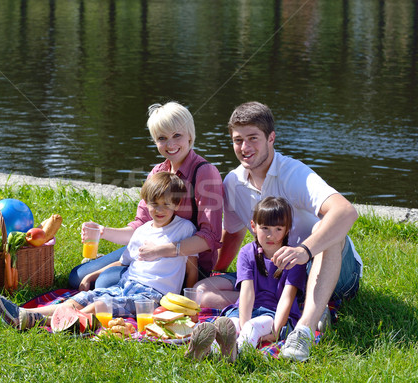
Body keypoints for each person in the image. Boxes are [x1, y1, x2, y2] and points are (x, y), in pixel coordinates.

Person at [194, 101, 362, 361]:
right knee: (202, 291)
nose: (245, 148)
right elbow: (235, 233)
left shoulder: (293, 173)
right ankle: (261, 314)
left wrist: (305, 250)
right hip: (273, 275)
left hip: (331, 270)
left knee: (325, 228)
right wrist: (216, 270)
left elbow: (346, 211)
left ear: (271, 138)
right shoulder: (234, 181)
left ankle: (303, 330)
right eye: (238, 140)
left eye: (253, 138)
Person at [0, 172, 198, 329]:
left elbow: (192, 270)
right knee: (80, 299)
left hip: (151, 295)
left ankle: (44, 323)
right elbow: (124, 263)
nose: (159, 210)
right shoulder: (141, 231)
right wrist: (92, 274)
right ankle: (24, 313)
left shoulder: (184, 229)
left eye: (165, 204)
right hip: (126, 285)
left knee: (99, 305)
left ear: (177, 204)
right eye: (153, 204)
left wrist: (186, 305)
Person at [68, 101, 223, 291]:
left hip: (184, 265)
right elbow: (140, 227)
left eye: (177, 135)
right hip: (148, 251)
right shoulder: (157, 172)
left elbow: (209, 237)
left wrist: (161, 250)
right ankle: (117, 267)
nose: (170, 144)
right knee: (76, 277)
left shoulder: (205, 173)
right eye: (162, 138)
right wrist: (103, 231)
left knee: (103, 282)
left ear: (190, 135)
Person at [186, 197, 306, 362]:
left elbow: (287, 297)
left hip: (273, 314)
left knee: (252, 327)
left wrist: (276, 332)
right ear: (253, 226)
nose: (271, 235)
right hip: (245, 309)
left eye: (278, 229)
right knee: (228, 324)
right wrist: (242, 323)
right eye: (265, 228)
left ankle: (239, 354)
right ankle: (208, 350)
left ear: (287, 230)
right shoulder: (247, 252)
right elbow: (247, 291)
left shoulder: (293, 259)